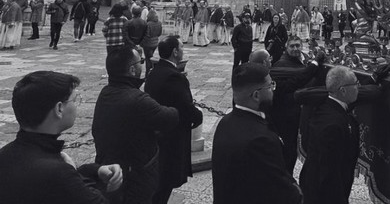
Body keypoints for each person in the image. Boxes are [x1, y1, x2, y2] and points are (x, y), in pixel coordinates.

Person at [0, 71, 123, 204]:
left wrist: (94, 171)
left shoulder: (5, 155)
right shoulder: (59, 173)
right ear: (59, 109)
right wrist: (114, 186)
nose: (76, 105)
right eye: (74, 100)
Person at [92, 46, 179, 204]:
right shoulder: (137, 99)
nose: (143, 65)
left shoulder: (106, 92)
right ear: (132, 70)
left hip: (111, 167)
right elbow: (169, 117)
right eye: (141, 62)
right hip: (136, 176)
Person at [212, 63, 302, 204]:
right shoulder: (261, 139)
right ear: (256, 95)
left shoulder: (225, 122)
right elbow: (281, 191)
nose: (273, 90)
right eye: (270, 86)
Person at [144, 37, 203, 204]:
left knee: (160, 182)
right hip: (171, 136)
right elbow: (184, 106)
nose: (183, 50)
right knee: (165, 183)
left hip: (158, 133)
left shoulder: (154, 71)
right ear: (175, 52)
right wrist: (198, 116)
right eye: (181, 47)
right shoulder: (174, 77)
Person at [300, 65, 361, 204]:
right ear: (343, 90)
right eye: (356, 84)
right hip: (324, 194)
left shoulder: (328, 107)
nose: (359, 87)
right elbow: (329, 172)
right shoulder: (332, 125)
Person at [271, 35, 324, 172]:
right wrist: (314, 65)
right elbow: (296, 81)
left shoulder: (303, 61)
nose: (295, 49)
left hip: (299, 115)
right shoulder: (280, 65)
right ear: (286, 48)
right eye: (292, 46)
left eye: (298, 45)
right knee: (286, 152)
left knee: (293, 150)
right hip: (284, 116)